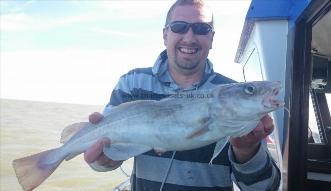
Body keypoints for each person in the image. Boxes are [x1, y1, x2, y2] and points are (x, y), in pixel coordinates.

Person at [84, 0, 281, 190]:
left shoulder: (233, 93)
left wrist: (247, 151)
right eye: (179, 27)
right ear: (165, 34)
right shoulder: (132, 83)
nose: (189, 37)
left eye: (201, 29)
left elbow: (265, 188)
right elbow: (103, 160)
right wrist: (104, 161)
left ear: (211, 38)